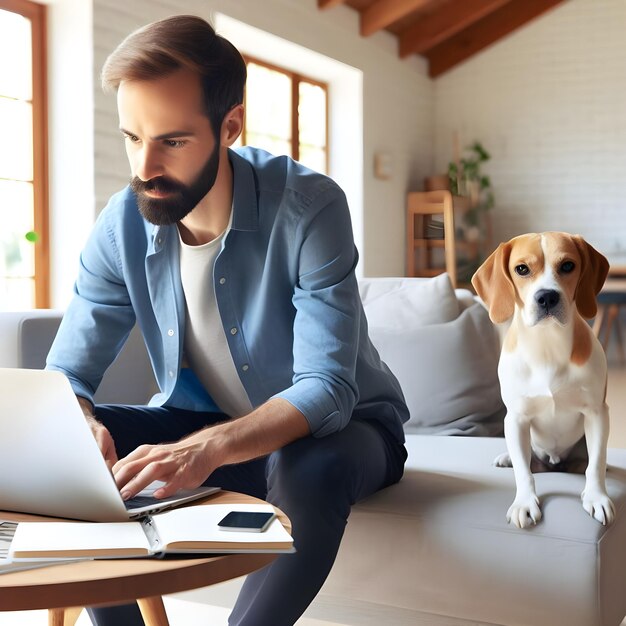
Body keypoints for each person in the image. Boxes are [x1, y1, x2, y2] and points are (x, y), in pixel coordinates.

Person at [46, 14, 409, 626]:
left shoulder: (311, 208)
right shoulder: (121, 223)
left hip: (348, 433)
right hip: (209, 418)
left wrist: (205, 449)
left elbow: (327, 390)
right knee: (65, 448)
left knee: (306, 465)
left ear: (230, 126)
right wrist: (79, 422)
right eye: (132, 137)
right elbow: (66, 373)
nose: (144, 165)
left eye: (172, 141)